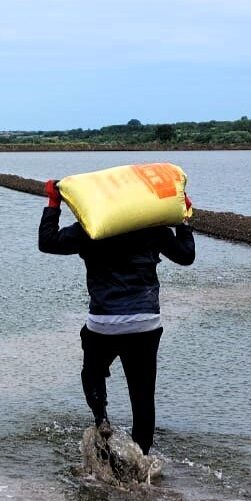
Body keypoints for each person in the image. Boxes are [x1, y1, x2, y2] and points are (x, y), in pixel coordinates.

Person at [38, 179, 195, 455]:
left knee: (91, 374)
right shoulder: (151, 229)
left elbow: (47, 242)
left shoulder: (91, 229)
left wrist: (53, 203)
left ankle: (102, 420)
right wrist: (184, 220)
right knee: (143, 397)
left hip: (104, 324)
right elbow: (186, 256)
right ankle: (142, 465)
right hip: (145, 323)